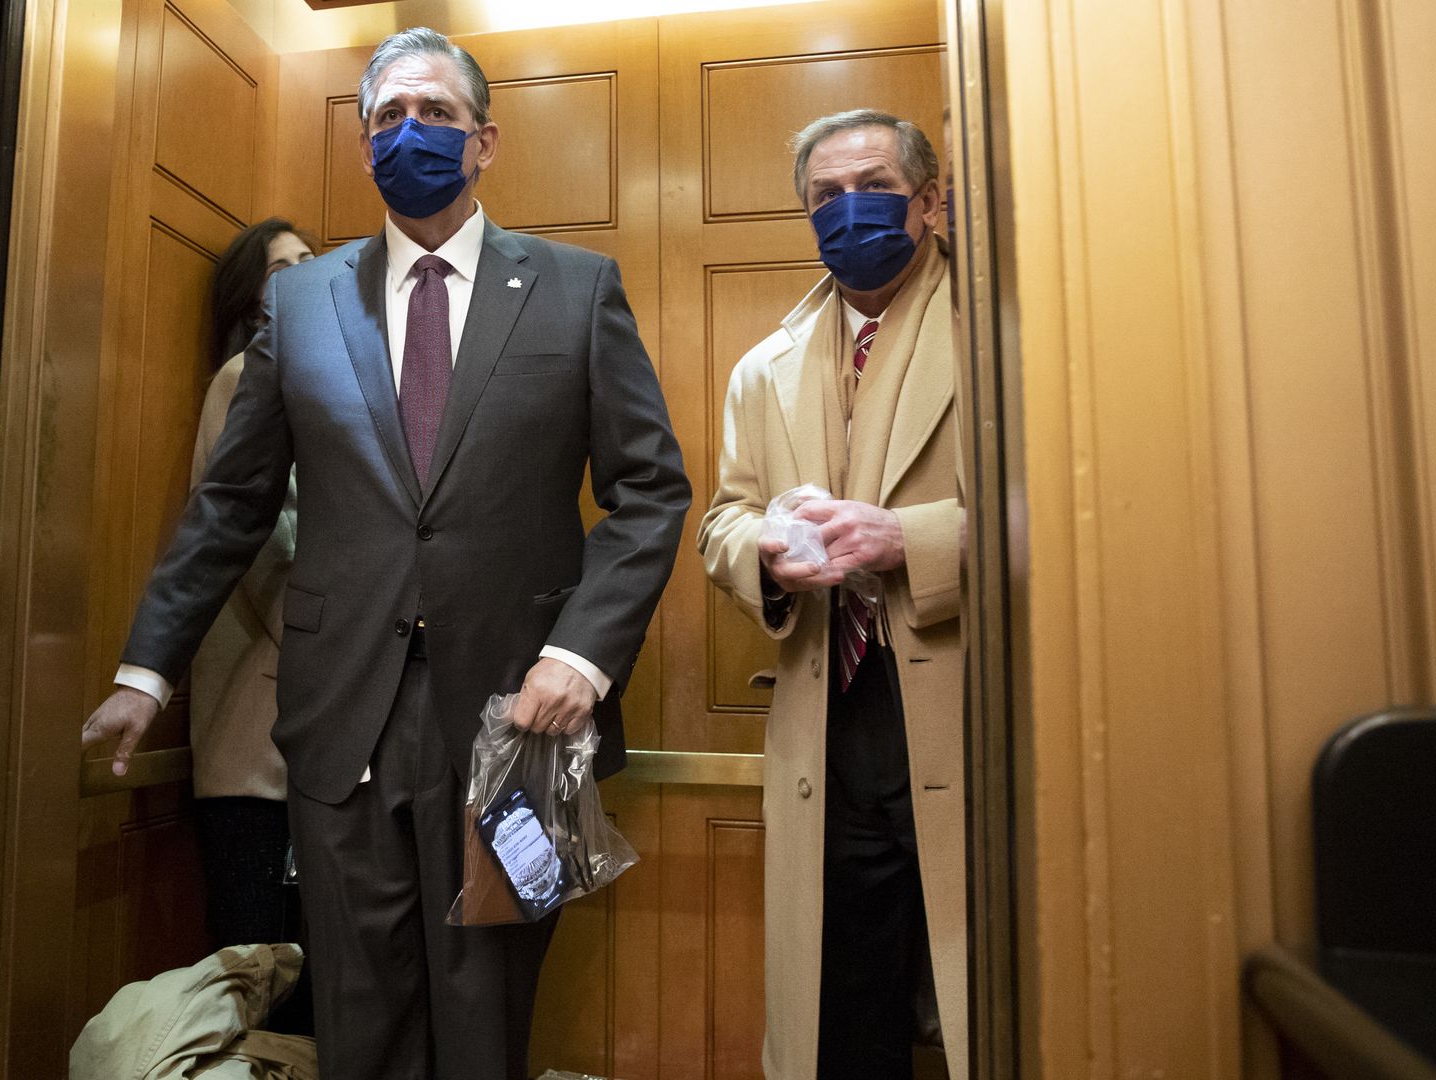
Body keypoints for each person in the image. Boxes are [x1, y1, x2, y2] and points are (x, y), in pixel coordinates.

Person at [82, 26, 690, 1080]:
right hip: (339, 723)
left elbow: (651, 493)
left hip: (521, 728)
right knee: (358, 1022)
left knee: (489, 1018)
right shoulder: (298, 301)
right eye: (387, 119)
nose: (411, 134)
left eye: (437, 115)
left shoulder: (577, 289)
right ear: (364, 149)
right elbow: (230, 506)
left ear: (486, 139)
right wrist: (148, 669)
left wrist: (580, 657)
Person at [697, 109, 967, 1079]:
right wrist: (763, 550)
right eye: (824, 196)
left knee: (984, 986)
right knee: (845, 998)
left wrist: (916, 537)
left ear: (930, 201)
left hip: (968, 710)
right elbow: (721, 519)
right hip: (830, 712)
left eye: (874, 187)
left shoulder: (1005, 333)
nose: (848, 210)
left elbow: (1068, 515)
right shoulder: (763, 368)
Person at [189, 219, 312, 995]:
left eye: (311, 261)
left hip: (298, 729)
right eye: (282, 267)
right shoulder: (244, 375)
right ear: (251, 294)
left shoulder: (311, 374)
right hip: (258, 731)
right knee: (262, 970)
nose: (303, 274)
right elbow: (254, 540)